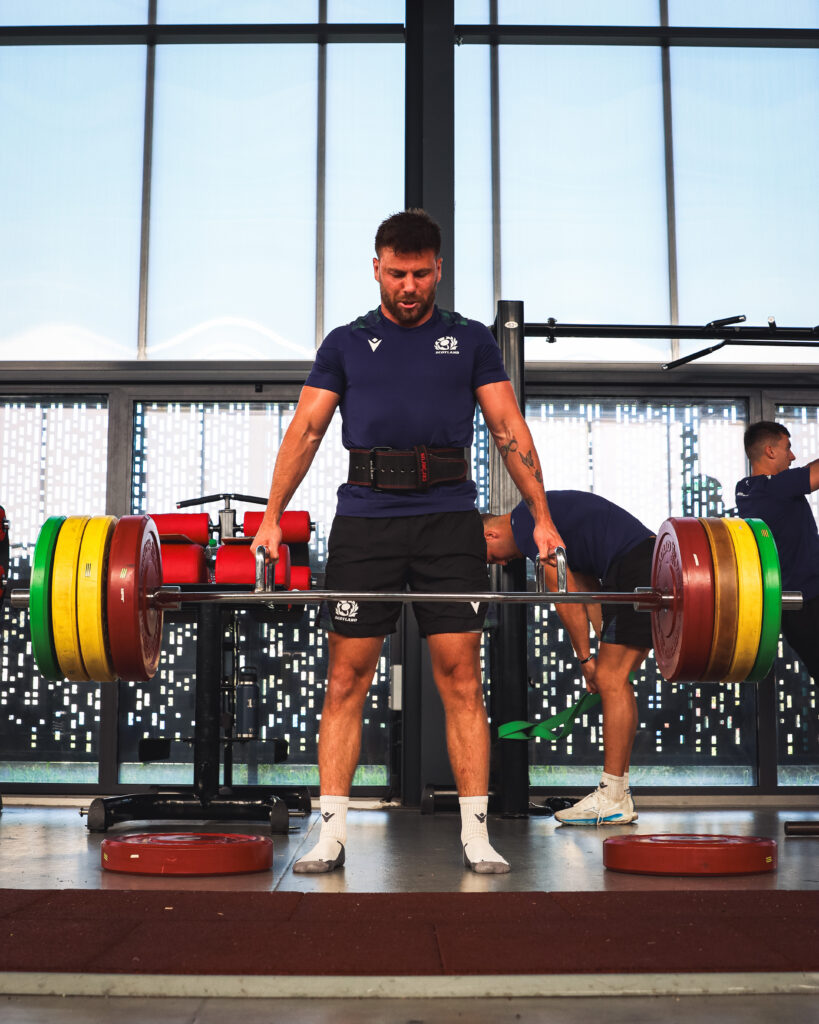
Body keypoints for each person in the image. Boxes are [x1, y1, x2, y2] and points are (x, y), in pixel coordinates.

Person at [251, 209, 563, 874]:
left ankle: (475, 834)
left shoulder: (470, 340)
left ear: (438, 269)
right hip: (366, 522)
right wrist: (272, 515)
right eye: (397, 273)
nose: (409, 286)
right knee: (345, 677)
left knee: (461, 678)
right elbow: (306, 430)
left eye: (421, 274)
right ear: (376, 269)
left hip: (448, 521)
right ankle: (331, 833)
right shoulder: (345, 342)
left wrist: (540, 515)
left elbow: (508, 428)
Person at [482, 491, 656, 825]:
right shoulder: (542, 522)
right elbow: (589, 589)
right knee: (614, 680)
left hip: (637, 567)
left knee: (611, 680)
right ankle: (618, 794)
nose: (501, 564)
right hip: (639, 564)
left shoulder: (528, 524)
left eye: (491, 558)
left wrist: (586, 659)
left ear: (491, 535)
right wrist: (600, 646)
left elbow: (565, 598)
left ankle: (612, 798)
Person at [735, 420, 819, 680]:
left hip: (794, 609)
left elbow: (804, 473)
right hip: (810, 603)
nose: (792, 456)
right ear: (770, 451)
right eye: (787, 448)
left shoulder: (747, 489)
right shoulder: (776, 487)